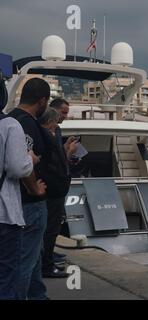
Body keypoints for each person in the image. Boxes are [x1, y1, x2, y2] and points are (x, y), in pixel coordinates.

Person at [8, 78, 50, 300]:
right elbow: (24, 160)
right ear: (42, 101)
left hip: (18, 203)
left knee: (33, 258)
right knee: (24, 261)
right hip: (29, 204)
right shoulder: (27, 123)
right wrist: (35, 188)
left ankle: (38, 296)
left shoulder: (10, 118)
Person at [0, 82, 40, 299]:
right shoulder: (9, 125)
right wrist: (30, 159)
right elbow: (17, 167)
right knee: (7, 277)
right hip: (4, 215)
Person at [38, 107, 73, 278]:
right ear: (51, 121)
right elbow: (55, 165)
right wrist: (68, 153)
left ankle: (45, 259)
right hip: (53, 191)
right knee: (51, 229)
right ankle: (47, 265)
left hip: (49, 190)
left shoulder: (44, 135)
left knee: (46, 228)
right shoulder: (48, 137)